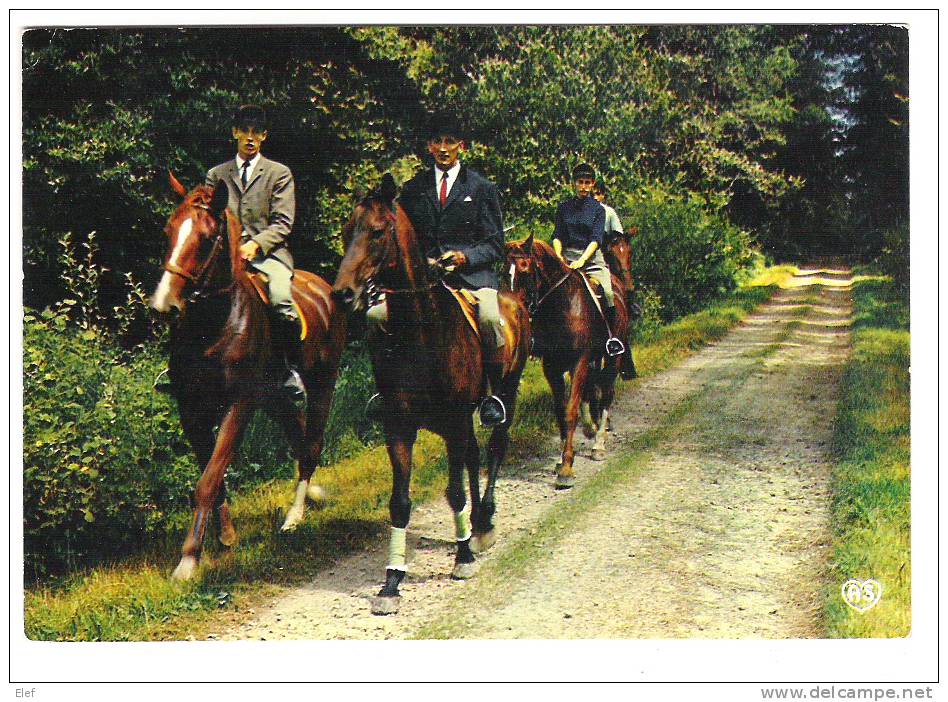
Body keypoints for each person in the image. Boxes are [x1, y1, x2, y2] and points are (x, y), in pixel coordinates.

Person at [156, 104, 305, 405]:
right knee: (186, 294)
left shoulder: (279, 174)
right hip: (224, 256)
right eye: (244, 131)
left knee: (279, 297)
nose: (250, 138)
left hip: (267, 255)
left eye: (256, 133)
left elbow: (283, 223)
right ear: (235, 133)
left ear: (264, 136)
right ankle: (177, 369)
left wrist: (257, 244)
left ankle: (287, 370)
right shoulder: (217, 174)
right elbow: (207, 218)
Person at [366, 112, 508, 427]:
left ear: (462, 146)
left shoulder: (482, 188)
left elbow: (496, 244)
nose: (444, 148)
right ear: (429, 147)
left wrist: (464, 257)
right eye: (437, 142)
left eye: (450, 142)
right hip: (424, 282)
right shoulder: (414, 189)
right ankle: (385, 391)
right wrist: (421, 263)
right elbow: (403, 238)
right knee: (375, 315)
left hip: (470, 278)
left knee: (489, 317)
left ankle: (491, 395)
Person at [551, 163, 624, 356]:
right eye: (580, 182)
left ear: (592, 185)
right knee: (546, 288)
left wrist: (583, 261)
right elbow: (557, 235)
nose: (583, 187)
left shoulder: (598, 210)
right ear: (574, 184)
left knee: (608, 293)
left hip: (591, 258)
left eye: (587, 183)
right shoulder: (563, 208)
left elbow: (596, 239)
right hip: (566, 256)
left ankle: (611, 338)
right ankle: (540, 337)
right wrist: (558, 255)